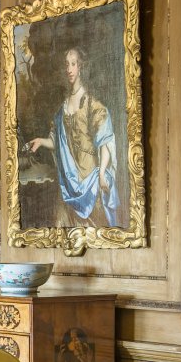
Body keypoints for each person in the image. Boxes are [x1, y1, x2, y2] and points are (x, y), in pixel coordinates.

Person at [24, 47, 120, 228]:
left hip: (90, 179)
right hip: (69, 181)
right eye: (66, 64)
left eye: (73, 64)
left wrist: (101, 174)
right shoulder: (63, 107)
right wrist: (41, 141)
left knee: (95, 230)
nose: (69, 69)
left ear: (81, 67)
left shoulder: (93, 104)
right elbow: (58, 141)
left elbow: (105, 142)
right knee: (61, 224)